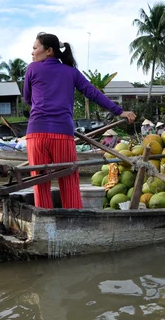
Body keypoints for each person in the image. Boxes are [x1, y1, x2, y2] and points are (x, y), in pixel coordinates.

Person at [23, 32, 136, 209]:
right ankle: (74, 221)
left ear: (49, 51)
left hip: (37, 133)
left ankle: (44, 224)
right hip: (63, 134)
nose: (32, 52)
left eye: (35, 48)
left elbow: (28, 98)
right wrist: (119, 111)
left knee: (40, 183)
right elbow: (93, 93)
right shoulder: (71, 72)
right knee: (69, 183)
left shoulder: (32, 69)